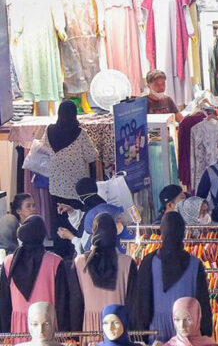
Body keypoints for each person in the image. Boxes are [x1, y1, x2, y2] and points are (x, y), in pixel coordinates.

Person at [136, 212, 211, 343]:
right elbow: (202, 304)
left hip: (156, 332)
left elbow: (142, 304)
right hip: (186, 331)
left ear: (162, 232)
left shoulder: (149, 261)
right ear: (182, 232)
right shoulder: (195, 264)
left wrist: (141, 335)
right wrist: (205, 335)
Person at [44, 100, 98, 257]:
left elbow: (45, 148)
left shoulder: (49, 131)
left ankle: (60, 255)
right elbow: (91, 156)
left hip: (56, 187)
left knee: (59, 222)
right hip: (76, 189)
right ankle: (78, 253)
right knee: (77, 221)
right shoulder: (80, 134)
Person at [0, 215, 70, 333]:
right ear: (42, 234)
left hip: (18, 329)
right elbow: (62, 305)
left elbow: (4, 304)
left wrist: (5, 334)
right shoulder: (55, 262)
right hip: (46, 327)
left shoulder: (8, 262)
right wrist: (65, 334)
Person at [70, 213, 138, 332]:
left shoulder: (79, 263)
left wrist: (75, 334)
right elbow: (133, 304)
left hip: (89, 330)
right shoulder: (127, 263)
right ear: (114, 233)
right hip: (118, 328)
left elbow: (75, 304)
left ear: (94, 232)